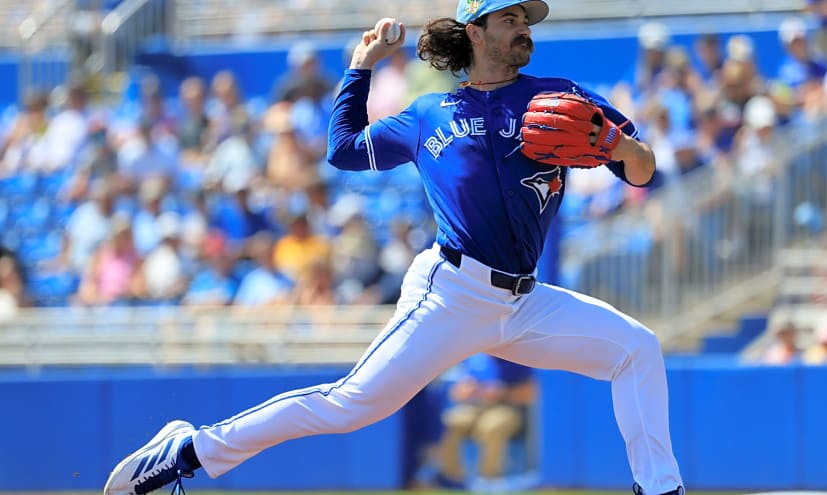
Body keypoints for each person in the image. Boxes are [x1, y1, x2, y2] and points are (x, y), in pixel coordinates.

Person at [103, 2, 685, 495]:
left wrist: (618, 146)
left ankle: (659, 488)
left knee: (636, 349)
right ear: (475, 33)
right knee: (349, 405)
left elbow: (646, 171)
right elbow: (344, 151)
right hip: (451, 294)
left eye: (525, 18)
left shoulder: (559, 96)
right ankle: (190, 449)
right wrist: (361, 68)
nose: (522, 27)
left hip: (523, 301)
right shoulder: (429, 113)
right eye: (507, 18)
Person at [435, 354, 536, 486]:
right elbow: (456, 394)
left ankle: (488, 480)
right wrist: (470, 391)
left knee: (491, 426)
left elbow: (529, 393)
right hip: (474, 406)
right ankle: (453, 478)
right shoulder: (474, 358)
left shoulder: (518, 359)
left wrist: (502, 392)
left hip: (506, 407)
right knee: (451, 421)